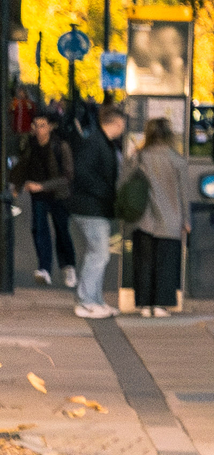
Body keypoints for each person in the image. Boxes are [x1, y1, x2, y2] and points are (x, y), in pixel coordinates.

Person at [67, 106, 127, 319]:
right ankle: (86, 301)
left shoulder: (100, 141)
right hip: (91, 208)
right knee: (99, 254)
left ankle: (96, 300)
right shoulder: (97, 142)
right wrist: (106, 193)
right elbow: (83, 173)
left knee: (98, 254)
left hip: (93, 207)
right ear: (117, 123)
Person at [127, 119, 190, 316]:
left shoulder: (139, 157)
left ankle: (144, 304)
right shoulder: (177, 160)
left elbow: (127, 182)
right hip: (170, 219)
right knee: (166, 263)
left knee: (143, 262)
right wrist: (186, 220)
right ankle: (161, 305)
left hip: (143, 218)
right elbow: (184, 193)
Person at [12, 112, 75, 285]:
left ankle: (68, 266)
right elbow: (23, 167)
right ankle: (44, 268)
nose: (38, 130)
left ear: (50, 127)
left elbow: (67, 177)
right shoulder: (31, 145)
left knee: (62, 231)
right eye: (35, 126)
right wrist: (16, 189)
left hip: (59, 196)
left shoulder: (61, 146)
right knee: (40, 230)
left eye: (42, 125)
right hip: (39, 196)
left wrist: (42, 186)